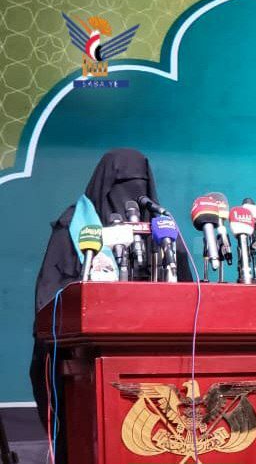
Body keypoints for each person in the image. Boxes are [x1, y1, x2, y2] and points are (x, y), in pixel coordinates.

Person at [29, 148, 192, 463]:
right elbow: (49, 295)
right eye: (121, 185)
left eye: (140, 185)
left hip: (155, 351)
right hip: (86, 357)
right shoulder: (75, 227)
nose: (130, 196)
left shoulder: (161, 229)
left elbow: (187, 289)